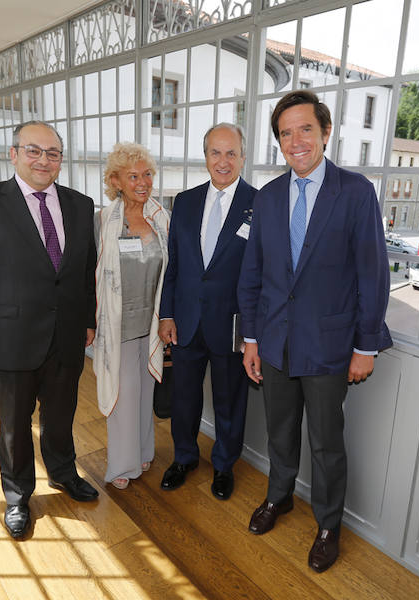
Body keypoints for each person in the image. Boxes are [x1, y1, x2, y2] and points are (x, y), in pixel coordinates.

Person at [237, 90, 392, 573]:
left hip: (330, 346)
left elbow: (373, 274)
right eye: (286, 133)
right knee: (280, 433)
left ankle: (328, 525)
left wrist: (366, 346)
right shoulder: (266, 198)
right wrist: (251, 339)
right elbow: (253, 274)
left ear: (326, 133)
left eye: (305, 129)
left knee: (326, 443)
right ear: (279, 142)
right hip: (276, 343)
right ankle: (278, 498)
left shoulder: (355, 192)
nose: (296, 140)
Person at [0, 120, 99, 541]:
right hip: (7, 338)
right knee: (14, 423)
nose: (43, 160)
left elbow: (85, 273)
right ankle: (17, 495)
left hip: (65, 336)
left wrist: (87, 320)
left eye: (52, 153)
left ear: (61, 161)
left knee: (61, 415)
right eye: (33, 151)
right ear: (13, 154)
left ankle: (64, 473)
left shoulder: (81, 206)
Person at [157, 123, 256, 500]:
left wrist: (252, 333)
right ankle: (184, 457)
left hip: (232, 324)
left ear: (243, 157)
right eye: (216, 152)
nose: (223, 161)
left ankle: (225, 465)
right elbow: (174, 264)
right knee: (183, 396)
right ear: (206, 157)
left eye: (231, 153)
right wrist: (166, 313)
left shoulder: (259, 204)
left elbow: (261, 273)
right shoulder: (184, 201)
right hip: (185, 320)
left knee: (231, 399)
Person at [93, 142, 170, 490]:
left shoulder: (162, 218)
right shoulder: (103, 222)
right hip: (117, 323)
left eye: (147, 174)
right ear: (116, 181)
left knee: (144, 392)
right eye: (133, 176)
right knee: (123, 393)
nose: (143, 182)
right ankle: (122, 465)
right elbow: (88, 274)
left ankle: (142, 450)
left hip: (151, 323)